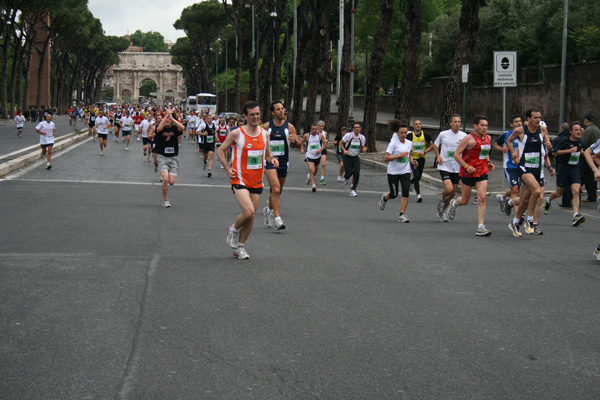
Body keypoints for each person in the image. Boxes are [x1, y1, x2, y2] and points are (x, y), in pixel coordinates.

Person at [217, 101, 279, 260]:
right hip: (239, 178)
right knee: (249, 211)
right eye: (252, 114)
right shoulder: (237, 133)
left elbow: (268, 154)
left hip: (257, 180)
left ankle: (240, 247)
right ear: (245, 116)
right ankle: (233, 228)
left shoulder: (265, 134)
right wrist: (227, 168)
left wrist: (273, 160)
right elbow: (220, 150)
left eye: (257, 114)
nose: (255, 117)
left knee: (251, 217)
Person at [506, 108, 553, 236]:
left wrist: (549, 145)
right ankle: (530, 221)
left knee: (525, 199)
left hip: (537, 167)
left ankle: (514, 223)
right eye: (535, 118)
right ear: (528, 119)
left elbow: (548, 143)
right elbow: (509, 140)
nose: (538, 120)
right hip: (524, 167)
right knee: (537, 191)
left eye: (539, 117)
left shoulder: (542, 130)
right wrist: (513, 152)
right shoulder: (520, 131)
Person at [447, 115, 495, 236]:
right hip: (468, 172)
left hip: (482, 171)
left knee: (482, 198)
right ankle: (454, 204)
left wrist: (488, 162)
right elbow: (456, 155)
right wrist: (467, 166)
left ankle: (480, 227)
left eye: (486, 126)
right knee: (464, 200)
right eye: (482, 125)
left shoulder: (488, 138)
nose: (484, 128)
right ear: (475, 126)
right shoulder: (469, 138)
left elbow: (485, 152)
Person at [262, 101, 301, 230]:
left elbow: (299, 144)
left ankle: (268, 210)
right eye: (278, 109)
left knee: (277, 191)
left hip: (284, 162)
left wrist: (294, 141)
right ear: (273, 113)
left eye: (282, 109)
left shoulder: (289, 127)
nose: (281, 111)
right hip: (270, 161)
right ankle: (277, 219)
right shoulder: (267, 127)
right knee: (276, 189)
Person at [543, 121, 586, 226]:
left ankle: (576, 215)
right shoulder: (564, 141)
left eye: (580, 130)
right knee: (559, 193)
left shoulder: (580, 141)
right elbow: (553, 152)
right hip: (563, 168)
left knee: (575, 191)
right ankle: (548, 200)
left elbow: (580, 151)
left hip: (574, 169)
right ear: (570, 132)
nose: (578, 131)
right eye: (576, 130)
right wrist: (568, 151)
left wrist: (589, 155)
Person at [378, 120, 417, 222]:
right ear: (398, 133)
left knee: (405, 192)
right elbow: (386, 158)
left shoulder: (409, 143)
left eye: (405, 133)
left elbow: (409, 156)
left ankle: (401, 215)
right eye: (401, 133)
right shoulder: (393, 144)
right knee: (394, 194)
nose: (403, 135)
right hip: (393, 172)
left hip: (405, 171)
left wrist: (413, 162)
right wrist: (399, 155)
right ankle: (384, 198)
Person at [431, 114, 467, 222]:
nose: (457, 124)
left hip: (457, 167)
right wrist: (438, 156)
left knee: (452, 193)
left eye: (459, 122)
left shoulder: (464, 136)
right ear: (450, 123)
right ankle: (442, 198)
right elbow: (435, 145)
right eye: (455, 122)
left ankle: (442, 212)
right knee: (449, 189)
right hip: (444, 165)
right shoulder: (443, 134)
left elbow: (467, 150)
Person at [150, 108, 184, 207]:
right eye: (166, 119)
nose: (168, 120)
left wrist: (172, 118)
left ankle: (167, 183)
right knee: (165, 179)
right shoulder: (160, 128)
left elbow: (182, 127)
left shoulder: (174, 129)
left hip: (173, 157)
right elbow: (159, 130)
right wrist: (166, 116)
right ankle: (166, 200)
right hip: (162, 156)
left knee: (171, 182)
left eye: (169, 119)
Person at [493, 114, 523, 215]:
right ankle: (518, 215)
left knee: (517, 188)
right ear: (511, 124)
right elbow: (496, 145)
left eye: (520, 121)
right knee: (515, 190)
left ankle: (502, 198)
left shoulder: (525, 135)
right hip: (510, 166)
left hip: (522, 165)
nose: (519, 123)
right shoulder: (506, 134)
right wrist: (502, 149)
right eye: (516, 121)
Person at [407, 120, 433, 203]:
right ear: (413, 126)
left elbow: (432, 145)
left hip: (422, 159)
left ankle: (410, 182)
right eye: (416, 124)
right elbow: (405, 145)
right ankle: (418, 195)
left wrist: (424, 152)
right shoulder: (410, 136)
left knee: (418, 177)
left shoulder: (425, 135)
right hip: (413, 159)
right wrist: (410, 153)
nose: (418, 125)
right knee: (416, 174)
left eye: (419, 124)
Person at [340, 122, 367, 197]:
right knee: (348, 172)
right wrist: (344, 150)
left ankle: (353, 190)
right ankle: (346, 177)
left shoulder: (362, 137)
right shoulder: (348, 136)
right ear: (353, 129)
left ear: (360, 128)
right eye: (355, 127)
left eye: (358, 127)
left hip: (356, 157)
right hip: (347, 156)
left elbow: (362, 147)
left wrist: (364, 149)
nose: (357, 129)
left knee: (357, 173)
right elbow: (341, 143)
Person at [300, 124, 327, 192]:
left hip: (317, 156)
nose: (314, 130)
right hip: (309, 155)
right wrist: (302, 149)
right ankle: (313, 185)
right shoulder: (307, 135)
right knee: (312, 170)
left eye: (315, 129)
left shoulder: (320, 135)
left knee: (315, 172)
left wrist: (320, 150)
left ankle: (309, 176)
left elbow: (325, 144)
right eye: (313, 129)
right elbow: (301, 142)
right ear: (310, 130)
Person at [580, 113, 600, 202]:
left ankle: (591, 196)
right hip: (593, 155)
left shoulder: (588, 130)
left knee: (588, 176)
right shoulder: (596, 129)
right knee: (590, 177)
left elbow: (583, 143)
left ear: (586, 120)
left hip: (587, 157)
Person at [317, 120, 328, 184]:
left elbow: (327, 140)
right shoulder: (315, 133)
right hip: (316, 150)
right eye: (320, 126)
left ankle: (322, 178)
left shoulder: (325, 133)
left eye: (322, 126)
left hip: (323, 149)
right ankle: (312, 175)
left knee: (323, 164)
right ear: (317, 126)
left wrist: (326, 141)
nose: (321, 127)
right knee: (316, 165)